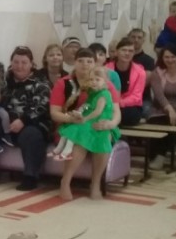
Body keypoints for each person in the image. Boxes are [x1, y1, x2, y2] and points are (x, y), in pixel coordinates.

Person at [0, 45, 51, 190]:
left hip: (31, 123)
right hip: (4, 121)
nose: (19, 66)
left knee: (32, 135)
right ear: (11, 63)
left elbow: (41, 106)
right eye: (16, 62)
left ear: (31, 64)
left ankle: (30, 177)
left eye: (24, 62)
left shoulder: (40, 82)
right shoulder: (2, 80)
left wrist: (23, 120)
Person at [49, 48, 121, 200]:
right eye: (80, 61)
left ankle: (95, 184)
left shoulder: (104, 84)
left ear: (95, 63)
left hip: (98, 124)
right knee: (80, 137)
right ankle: (65, 182)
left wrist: (110, 124)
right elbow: (54, 113)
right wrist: (72, 119)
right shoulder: (64, 83)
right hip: (71, 125)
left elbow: (116, 111)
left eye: (89, 61)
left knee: (104, 135)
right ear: (74, 63)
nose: (85, 64)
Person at [51, 66, 119, 161]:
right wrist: (77, 113)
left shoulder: (104, 94)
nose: (94, 82)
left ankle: (67, 152)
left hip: (98, 120)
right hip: (91, 119)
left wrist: (85, 119)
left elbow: (97, 112)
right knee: (68, 128)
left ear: (104, 81)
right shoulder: (92, 92)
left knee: (75, 130)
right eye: (91, 79)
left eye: (97, 80)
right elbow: (87, 106)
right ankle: (58, 150)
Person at [106, 37, 146, 126]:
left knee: (130, 115)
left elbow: (136, 96)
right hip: (110, 104)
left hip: (130, 106)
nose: (127, 53)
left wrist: (119, 103)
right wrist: (113, 104)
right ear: (117, 52)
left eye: (130, 51)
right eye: (124, 50)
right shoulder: (106, 69)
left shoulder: (140, 72)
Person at [149, 45, 176, 125]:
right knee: (158, 119)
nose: (170, 60)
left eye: (173, 57)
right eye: (167, 57)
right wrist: (169, 109)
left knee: (174, 119)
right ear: (162, 58)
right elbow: (159, 96)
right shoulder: (156, 73)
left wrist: (173, 108)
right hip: (160, 109)